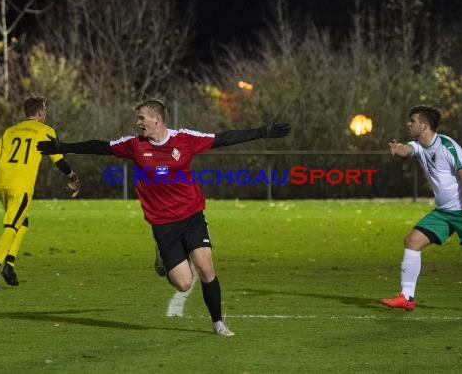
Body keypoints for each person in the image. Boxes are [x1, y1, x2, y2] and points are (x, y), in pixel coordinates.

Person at [37, 98, 291, 335]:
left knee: (206, 267)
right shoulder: (135, 145)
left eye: (141, 118)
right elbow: (100, 147)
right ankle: (163, 255)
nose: (138, 123)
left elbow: (223, 138)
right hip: (163, 223)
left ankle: (218, 323)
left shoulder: (185, 139)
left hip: (192, 215)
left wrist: (263, 132)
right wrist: (65, 147)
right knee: (183, 284)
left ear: (157, 119)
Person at [380, 105, 462, 314]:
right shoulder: (418, 145)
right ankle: (406, 297)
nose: (408, 124)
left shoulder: (448, 146)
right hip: (442, 213)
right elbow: (407, 150)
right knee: (412, 241)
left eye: (412, 121)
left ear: (423, 125)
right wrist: (398, 149)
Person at [0, 96, 81, 291]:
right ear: (40, 112)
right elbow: (57, 158)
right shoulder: (45, 131)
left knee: (22, 222)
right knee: (11, 225)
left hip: (3, 184)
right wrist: (71, 176)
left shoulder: (10, 131)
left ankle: (9, 266)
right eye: (45, 110)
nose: (46, 114)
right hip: (21, 185)